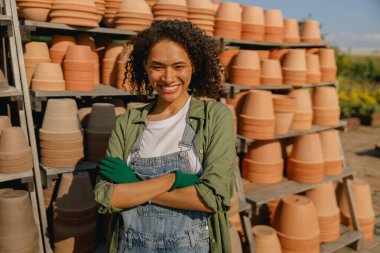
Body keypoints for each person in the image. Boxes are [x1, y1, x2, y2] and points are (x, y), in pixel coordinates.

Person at [94, 20, 236, 253]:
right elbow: (106, 197)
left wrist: (134, 186)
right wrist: (173, 180)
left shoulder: (214, 117)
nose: (168, 78)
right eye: (157, 66)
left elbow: (212, 199)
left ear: (194, 67)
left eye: (179, 66)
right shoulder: (127, 123)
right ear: (145, 67)